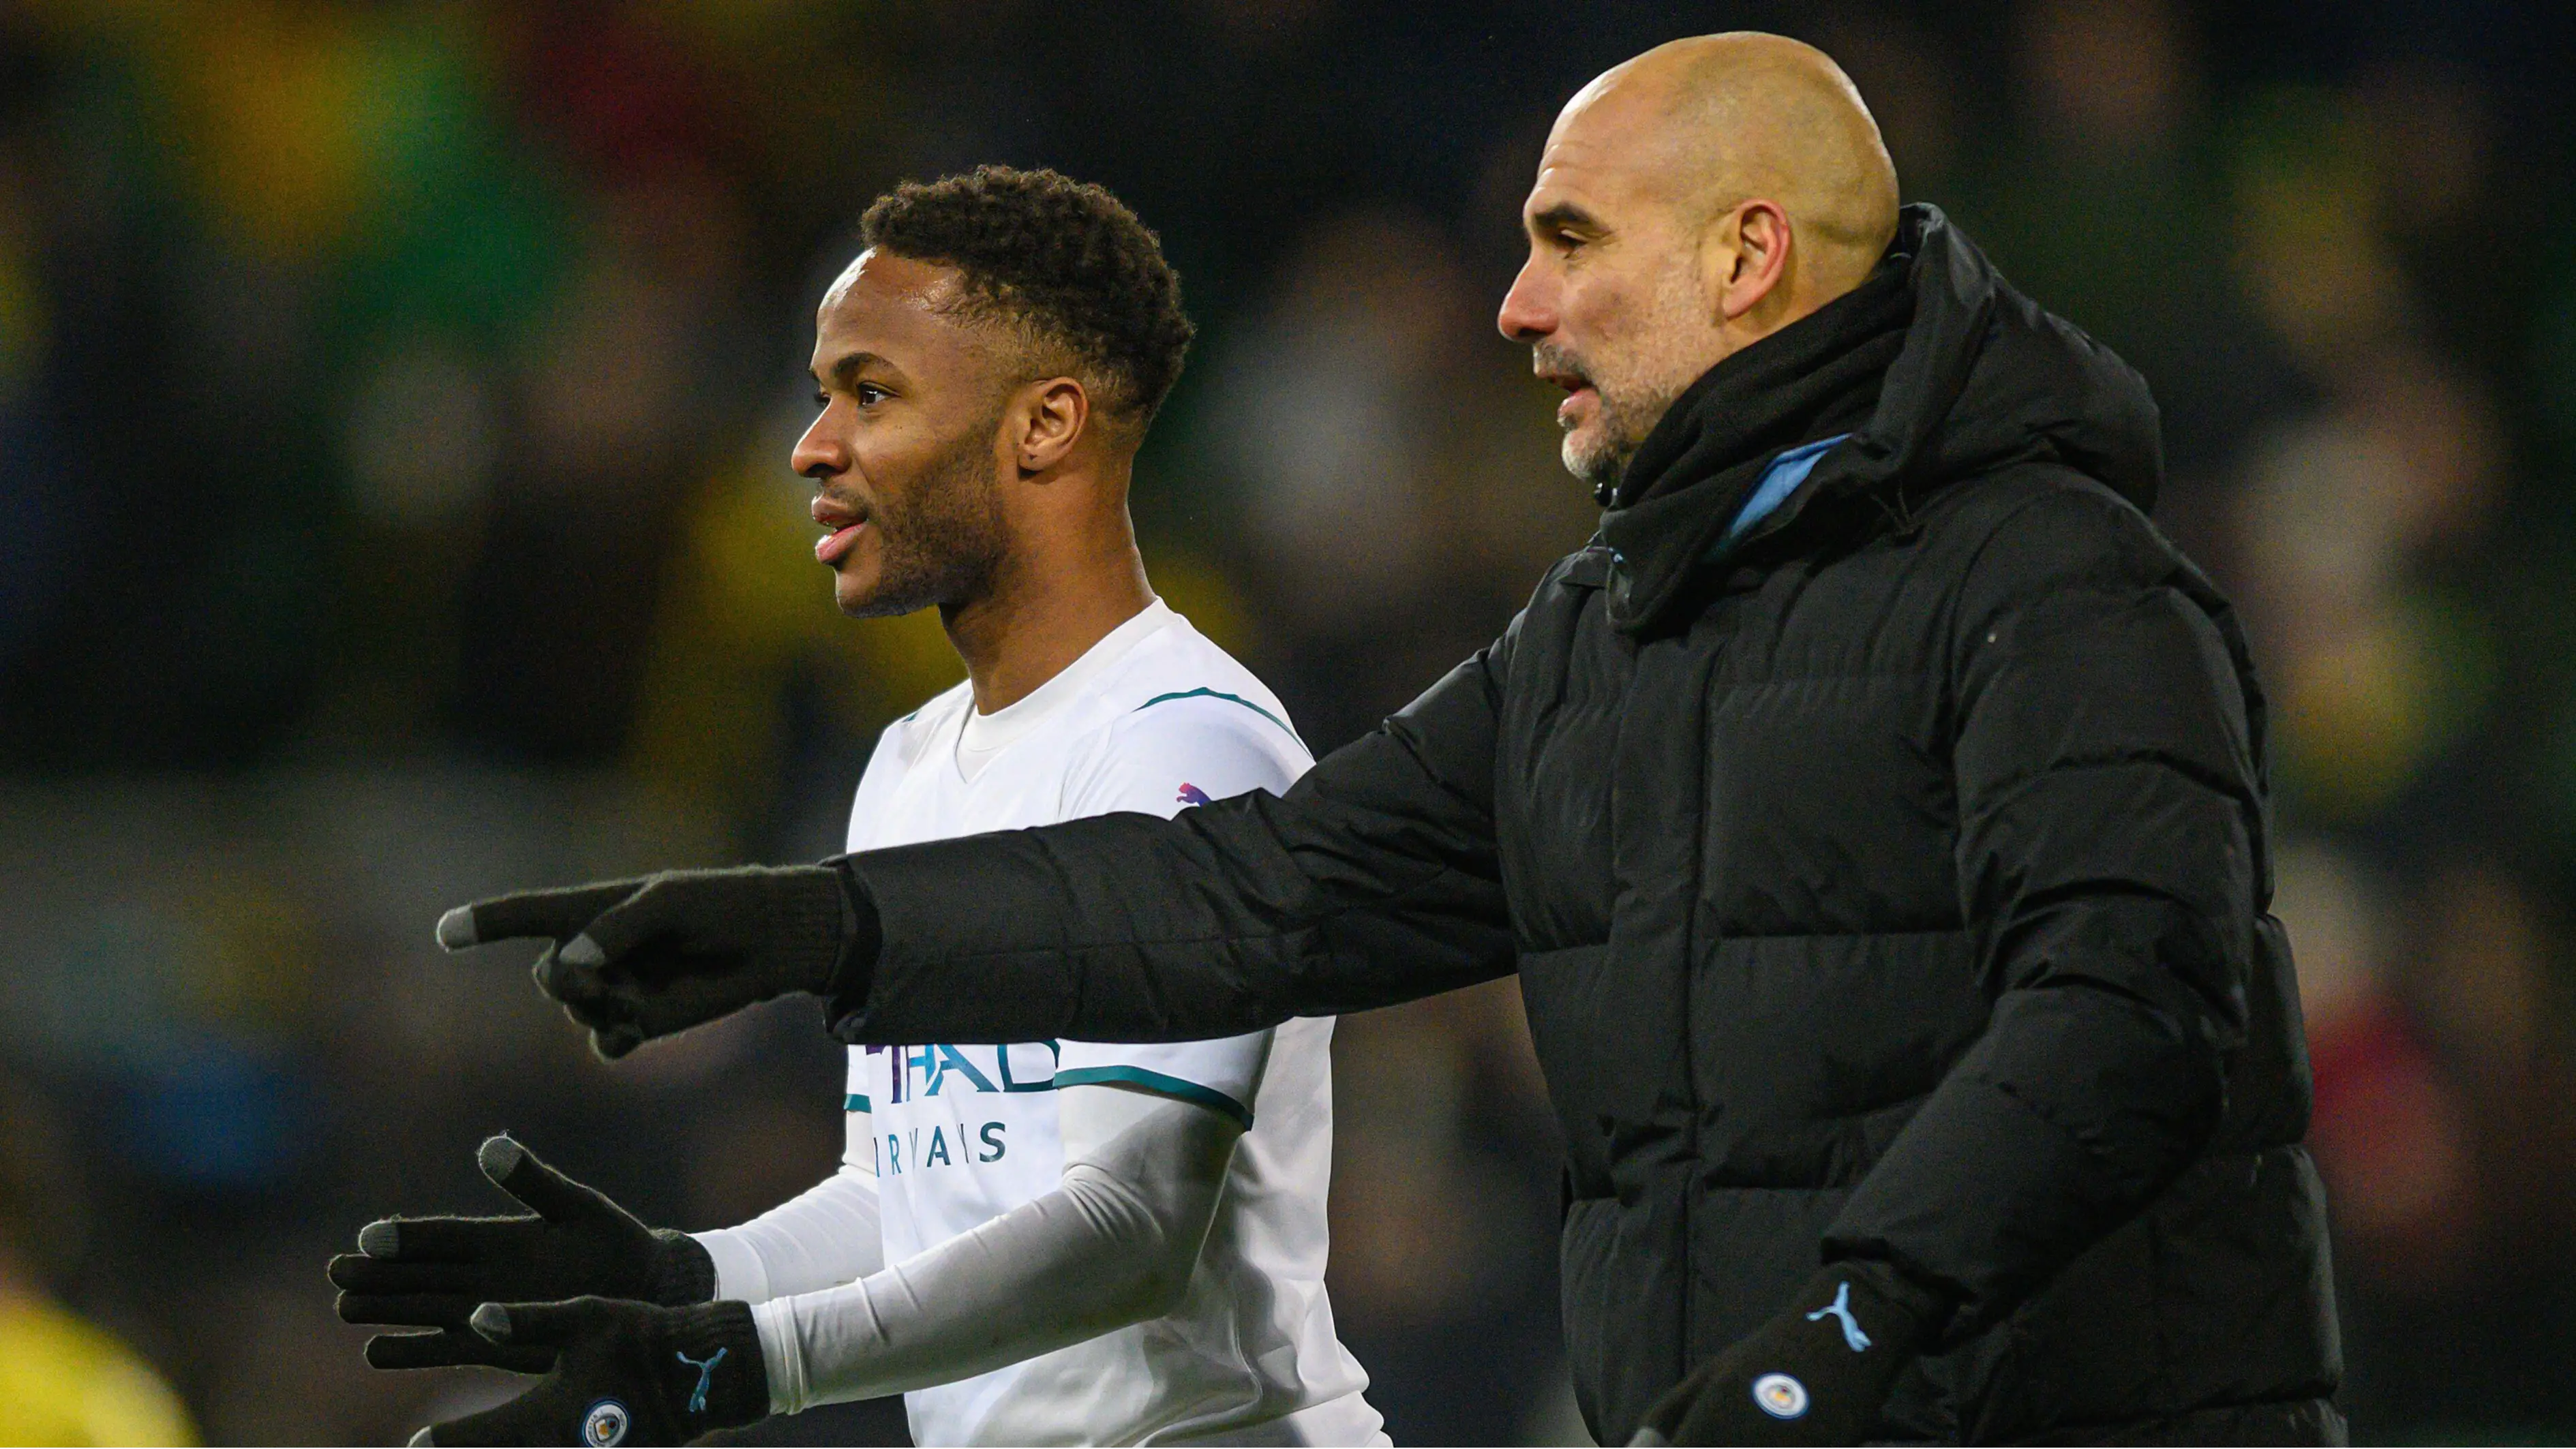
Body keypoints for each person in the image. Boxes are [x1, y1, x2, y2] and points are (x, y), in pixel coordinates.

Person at [439, 33, 2341, 1449]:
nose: (1515, 306)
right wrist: (831, 929)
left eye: (1570, 240)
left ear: (1748, 255)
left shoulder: (2059, 580)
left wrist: (1848, 1331)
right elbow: (1257, 894)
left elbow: (2130, 998)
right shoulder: (1605, 635)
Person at [337, 166, 1389, 1449]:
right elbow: (911, 1188)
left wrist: (730, 1365)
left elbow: (1133, 1231)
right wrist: (689, 1278)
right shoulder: (906, 764)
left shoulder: (1185, 747)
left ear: (1044, 424)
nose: (811, 445)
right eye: (822, 390)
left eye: (870, 393)